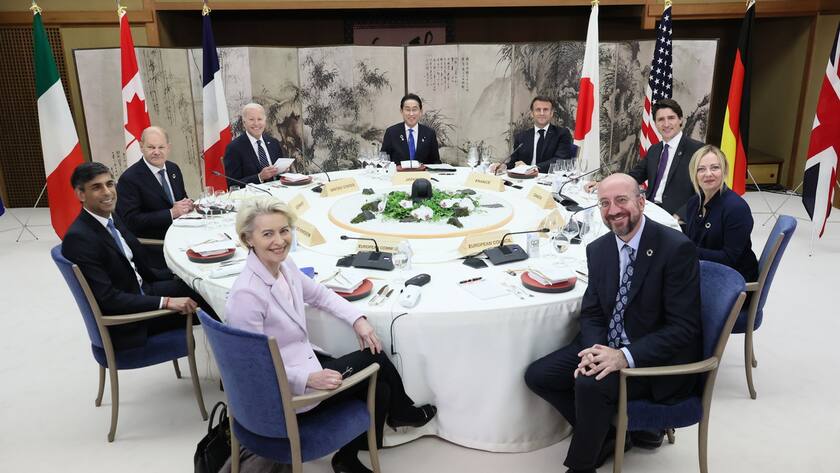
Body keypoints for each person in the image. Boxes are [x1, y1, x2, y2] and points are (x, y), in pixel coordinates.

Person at [225, 197, 436, 473]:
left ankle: (348, 457)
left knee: (381, 388)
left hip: (301, 361)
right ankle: (402, 412)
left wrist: (357, 319)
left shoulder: (284, 267)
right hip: (286, 394)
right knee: (375, 357)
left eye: (284, 230)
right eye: (268, 234)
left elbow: (320, 295)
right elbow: (253, 365)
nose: (279, 240)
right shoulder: (247, 294)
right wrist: (307, 378)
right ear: (248, 239)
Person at [524, 173, 702, 473]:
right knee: (538, 376)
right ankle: (609, 433)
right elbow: (593, 312)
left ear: (641, 202)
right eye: (604, 203)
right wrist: (598, 350)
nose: (613, 210)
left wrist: (622, 356)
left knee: (589, 383)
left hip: (651, 360)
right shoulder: (599, 249)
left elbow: (683, 329)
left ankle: (582, 465)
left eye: (621, 200)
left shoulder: (675, 249)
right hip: (608, 343)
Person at [62, 162, 217, 349]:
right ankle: (234, 373)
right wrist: (166, 302)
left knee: (209, 289)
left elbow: (138, 266)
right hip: (132, 321)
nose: (107, 192)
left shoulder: (109, 216)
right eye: (97, 187)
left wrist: (186, 273)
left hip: (143, 290)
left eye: (110, 184)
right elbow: (109, 299)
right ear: (80, 194)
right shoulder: (79, 238)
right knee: (218, 307)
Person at [587, 99, 703, 222]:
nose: (666, 124)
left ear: (680, 120)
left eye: (671, 118)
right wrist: (605, 184)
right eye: (661, 119)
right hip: (648, 210)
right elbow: (634, 177)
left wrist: (680, 215)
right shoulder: (654, 149)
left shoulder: (698, 150)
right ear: (655, 123)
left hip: (674, 218)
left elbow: (705, 191)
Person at [116, 127, 192, 267]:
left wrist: (190, 205)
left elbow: (181, 199)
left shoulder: (173, 168)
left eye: (161, 147)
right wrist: (171, 213)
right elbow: (131, 221)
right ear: (141, 147)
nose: (156, 152)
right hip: (156, 245)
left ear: (168, 147)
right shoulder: (129, 179)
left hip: (183, 235)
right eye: (151, 147)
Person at [684, 145, 758, 281]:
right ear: (694, 174)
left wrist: (685, 250)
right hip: (703, 270)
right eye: (701, 169)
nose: (708, 174)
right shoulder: (693, 202)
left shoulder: (737, 208)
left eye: (715, 168)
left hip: (733, 280)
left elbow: (729, 258)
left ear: (724, 171)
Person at [489, 96, 572, 175]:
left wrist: (531, 168)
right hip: (524, 180)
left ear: (551, 113)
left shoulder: (562, 134)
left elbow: (560, 160)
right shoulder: (521, 137)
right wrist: (504, 166)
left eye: (545, 110)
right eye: (538, 110)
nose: (542, 113)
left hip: (549, 181)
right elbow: (515, 162)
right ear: (532, 113)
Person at [223, 103, 289, 186]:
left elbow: (279, 175)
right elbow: (232, 184)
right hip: (251, 197)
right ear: (244, 123)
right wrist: (259, 177)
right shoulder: (234, 148)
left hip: (277, 192)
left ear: (265, 121)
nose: (256, 123)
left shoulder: (273, 142)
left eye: (259, 119)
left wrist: (283, 171)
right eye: (251, 119)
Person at [380, 93, 441, 166]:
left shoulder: (429, 133)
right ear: (401, 111)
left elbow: (436, 162)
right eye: (407, 110)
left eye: (414, 109)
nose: (411, 114)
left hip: (423, 176)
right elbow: (383, 159)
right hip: (398, 176)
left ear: (420, 111)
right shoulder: (391, 132)